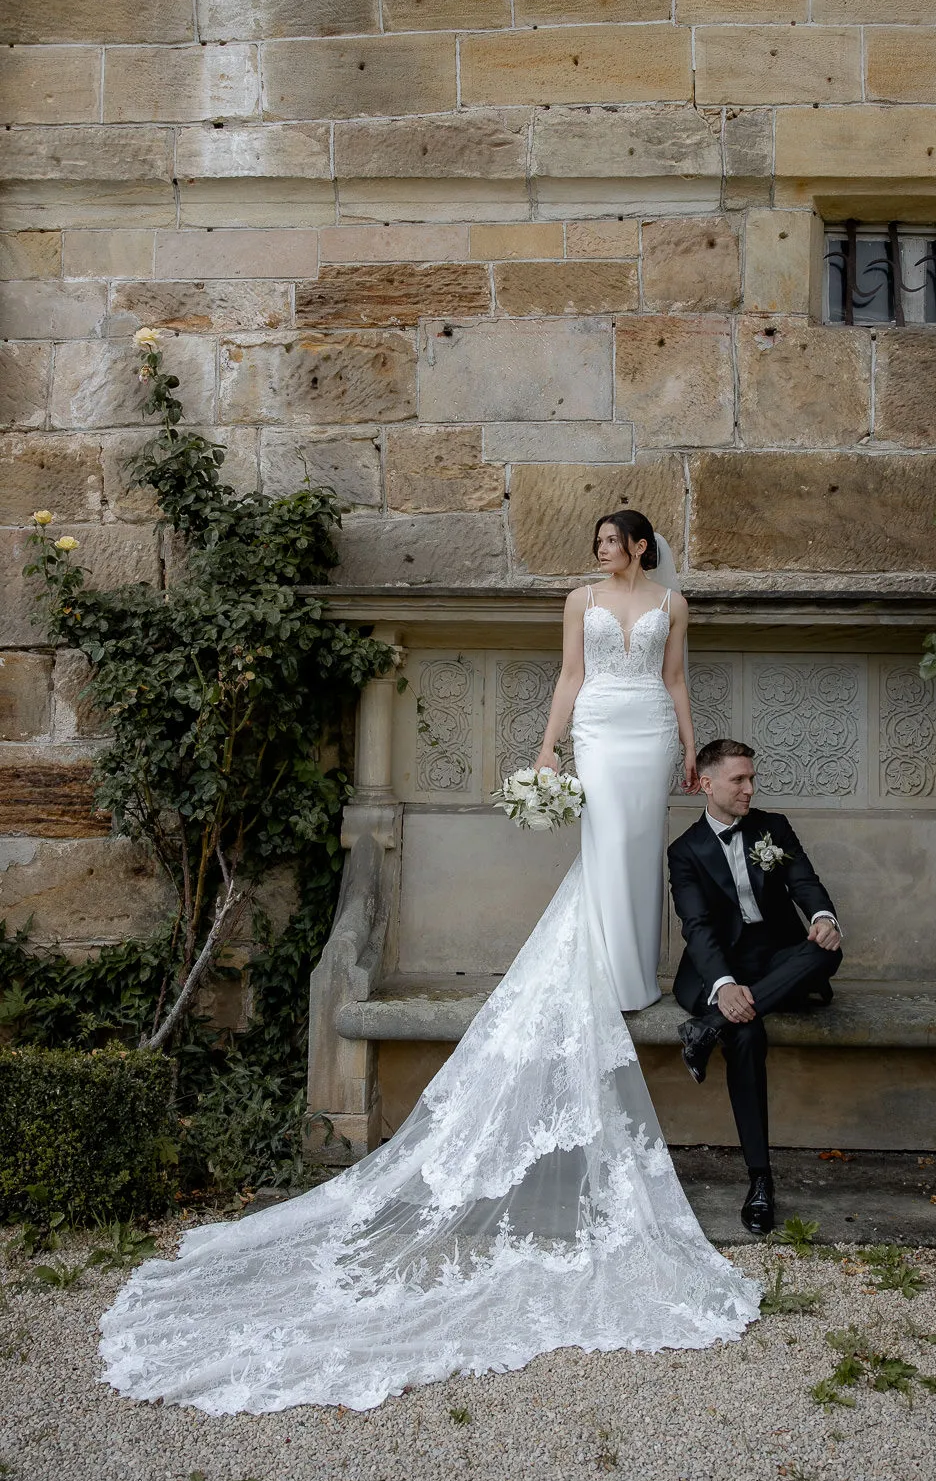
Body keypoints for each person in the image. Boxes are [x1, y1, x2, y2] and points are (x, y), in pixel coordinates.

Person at [99, 512, 760, 1416]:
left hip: (648, 727)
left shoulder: (672, 602)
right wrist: (544, 747)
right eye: (598, 539)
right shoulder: (577, 601)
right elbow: (571, 674)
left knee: (639, 846)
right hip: (602, 726)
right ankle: (600, 969)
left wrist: (688, 745)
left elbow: (676, 677)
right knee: (606, 840)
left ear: (640, 547)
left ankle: (628, 972)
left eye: (611, 539)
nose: (599, 549)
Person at [667, 740, 843, 1238]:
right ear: (707, 784)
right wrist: (723, 985)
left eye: (751, 779)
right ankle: (760, 1181)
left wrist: (823, 917)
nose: (749, 788)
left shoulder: (774, 827)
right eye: (738, 780)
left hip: (778, 958)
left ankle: (706, 1028)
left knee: (828, 949)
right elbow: (697, 926)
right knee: (745, 1035)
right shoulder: (685, 851)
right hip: (721, 965)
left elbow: (804, 882)